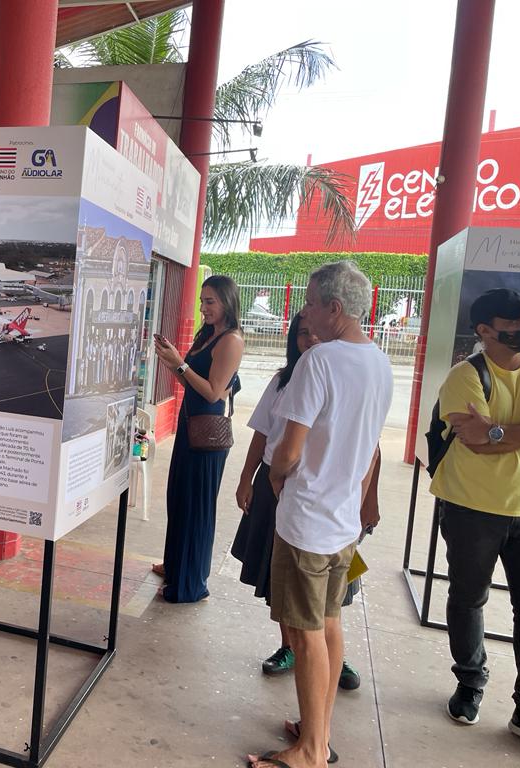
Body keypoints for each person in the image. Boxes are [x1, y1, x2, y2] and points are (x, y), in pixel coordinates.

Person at [249, 261, 391, 768]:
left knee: (306, 634)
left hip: (306, 519)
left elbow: (288, 448)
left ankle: (310, 750)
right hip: (342, 522)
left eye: (310, 302)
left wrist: (276, 475)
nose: (304, 311)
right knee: (329, 623)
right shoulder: (379, 362)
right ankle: (318, 730)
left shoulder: (320, 361)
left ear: (334, 308)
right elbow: (370, 448)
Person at [231, 314, 371, 692]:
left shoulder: (345, 376)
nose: (309, 339)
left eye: (314, 331)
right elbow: (262, 435)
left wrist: (367, 499)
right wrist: (248, 480)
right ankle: (290, 646)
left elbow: (368, 446)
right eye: (301, 334)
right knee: (279, 577)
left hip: (330, 495)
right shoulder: (283, 381)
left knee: (335, 586)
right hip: (278, 488)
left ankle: (327, 654)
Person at [430, 288, 520, 740]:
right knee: (469, 599)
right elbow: (471, 438)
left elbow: (488, 434)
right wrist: (500, 433)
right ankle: (470, 681)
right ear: (485, 331)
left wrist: (496, 430)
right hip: (472, 508)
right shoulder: (465, 375)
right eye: (512, 325)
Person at [152, 275, 244, 603]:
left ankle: (189, 582)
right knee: (180, 498)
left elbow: (214, 392)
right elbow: (190, 379)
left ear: (227, 303)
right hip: (190, 424)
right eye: (202, 301)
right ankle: (177, 564)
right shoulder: (208, 334)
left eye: (210, 302)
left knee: (196, 506)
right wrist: (171, 360)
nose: (204, 308)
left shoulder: (231, 340)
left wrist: (179, 365)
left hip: (207, 433)